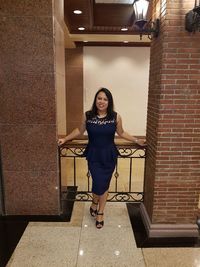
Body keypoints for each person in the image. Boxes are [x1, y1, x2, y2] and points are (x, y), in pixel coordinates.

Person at [58, 88, 146, 229]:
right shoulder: (88, 115)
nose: (102, 101)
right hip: (93, 155)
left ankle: (100, 211)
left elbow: (121, 132)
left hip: (109, 155)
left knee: (103, 184)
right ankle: (94, 203)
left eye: (105, 99)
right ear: (95, 100)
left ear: (109, 102)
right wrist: (65, 139)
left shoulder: (115, 117)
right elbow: (79, 130)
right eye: (99, 98)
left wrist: (137, 140)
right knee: (98, 182)